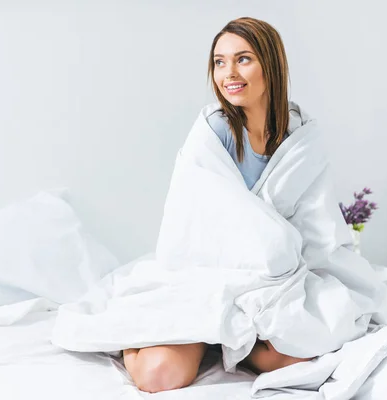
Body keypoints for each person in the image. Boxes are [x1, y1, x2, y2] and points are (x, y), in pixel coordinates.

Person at [122, 17, 313, 394]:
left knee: (304, 354)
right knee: (158, 375)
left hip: (266, 283)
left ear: (270, 65)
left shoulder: (299, 133)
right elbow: (193, 223)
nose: (229, 73)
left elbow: (312, 220)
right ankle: (130, 336)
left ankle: (231, 342)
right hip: (203, 276)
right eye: (219, 62)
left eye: (243, 59)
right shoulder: (213, 129)